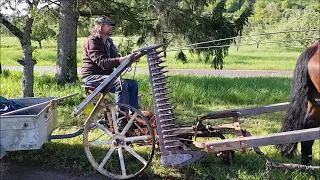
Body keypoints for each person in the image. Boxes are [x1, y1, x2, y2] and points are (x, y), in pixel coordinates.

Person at [82, 15, 139, 110]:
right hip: (91, 77)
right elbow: (103, 62)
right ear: (100, 26)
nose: (111, 27)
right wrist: (122, 59)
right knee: (121, 84)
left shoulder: (109, 42)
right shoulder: (92, 41)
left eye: (111, 25)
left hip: (105, 77)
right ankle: (122, 119)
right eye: (108, 25)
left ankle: (133, 116)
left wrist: (131, 59)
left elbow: (115, 60)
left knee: (133, 84)